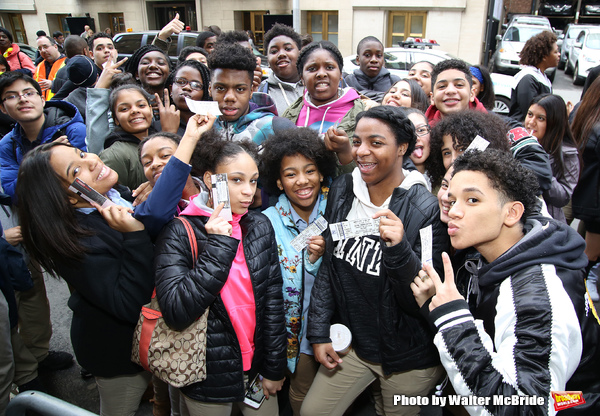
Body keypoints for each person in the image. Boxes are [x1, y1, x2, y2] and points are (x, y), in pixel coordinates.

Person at [412, 149, 600, 415]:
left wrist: (451, 320)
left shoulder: (536, 297)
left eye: (473, 200)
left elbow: (526, 408)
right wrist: (438, 309)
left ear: (511, 213)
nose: (453, 210)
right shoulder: (481, 253)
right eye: (452, 200)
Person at [302, 106, 447, 416]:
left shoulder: (425, 208)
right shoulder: (343, 189)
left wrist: (398, 249)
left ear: (402, 148)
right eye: (358, 141)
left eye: (376, 143)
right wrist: (319, 332)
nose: (362, 152)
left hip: (407, 357)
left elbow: (422, 300)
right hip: (355, 346)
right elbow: (330, 266)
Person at [16, 142, 155, 416]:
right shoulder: (76, 243)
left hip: (152, 341)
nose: (91, 160)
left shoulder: (113, 197)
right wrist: (135, 234)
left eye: (81, 154)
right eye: (76, 169)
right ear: (68, 197)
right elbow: (128, 303)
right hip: (118, 353)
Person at [153, 135, 286, 415]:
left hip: (257, 369)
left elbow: (273, 301)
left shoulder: (259, 225)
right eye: (237, 180)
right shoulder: (180, 231)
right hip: (207, 374)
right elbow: (177, 309)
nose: (249, 191)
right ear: (212, 180)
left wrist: (274, 366)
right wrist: (219, 245)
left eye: (253, 180)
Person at [260, 128, 336, 415]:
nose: (302, 181)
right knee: (296, 393)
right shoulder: (264, 223)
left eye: (310, 171)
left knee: (320, 396)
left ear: (321, 175)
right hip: (287, 333)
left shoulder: (337, 210)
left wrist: (321, 257)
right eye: (291, 174)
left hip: (331, 327)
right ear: (278, 182)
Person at [0, 71, 87, 200]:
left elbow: (85, 184)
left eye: (29, 93)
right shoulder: (7, 145)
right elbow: (15, 194)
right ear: (3, 108)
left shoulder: (72, 131)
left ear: (42, 100)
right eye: (12, 96)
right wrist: (42, 160)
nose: (23, 99)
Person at [283, 41, 366, 166]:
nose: (321, 74)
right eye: (312, 69)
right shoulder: (289, 115)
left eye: (329, 67)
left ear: (341, 74)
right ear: (301, 78)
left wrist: (345, 153)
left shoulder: (363, 114)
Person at [208, 42, 295, 144]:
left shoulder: (276, 128)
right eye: (220, 88)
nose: (230, 97)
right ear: (210, 89)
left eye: (240, 89)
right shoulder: (202, 127)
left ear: (251, 91)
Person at [525, 94, 580, 223]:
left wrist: (541, 167)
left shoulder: (568, 154)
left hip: (544, 221)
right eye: (530, 114)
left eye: (541, 118)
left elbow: (562, 198)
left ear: (554, 123)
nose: (531, 122)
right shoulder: (516, 140)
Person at [426, 110, 509, 189]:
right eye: (447, 153)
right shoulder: (438, 191)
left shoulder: (500, 188)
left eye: (461, 149)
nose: (453, 159)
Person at [572, 76, 600, 299]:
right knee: (590, 251)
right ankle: (581, 286)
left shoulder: (583, 109)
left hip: (581, 187)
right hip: (594, 197)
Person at [98, 84, 155, 190]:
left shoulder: (159, 142)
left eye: (141, 105)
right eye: (124, 109)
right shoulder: (114, 156)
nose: (135, 111)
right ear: (116, 119)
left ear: (151, 110)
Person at [508, 30, 559, 122]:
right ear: (544, 56)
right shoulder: (528, 78)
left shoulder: (542, 77)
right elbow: (529, 112)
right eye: (555, 52)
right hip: (523, 131)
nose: (559, 55)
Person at [425, 58, 486, 127]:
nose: (450, 91)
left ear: (472, 94)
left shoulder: (491, 129)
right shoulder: (423, 132)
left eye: (459, 85)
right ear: (432, 98)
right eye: (442, 86)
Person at [259, 23, 304, 115]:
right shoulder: (261, 92)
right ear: (268, 60)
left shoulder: (314, 85)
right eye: (274, 51)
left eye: (288, 49)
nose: (281, 54)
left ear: (300, 54)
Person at [344, 36, 400, 102]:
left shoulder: (394, 82)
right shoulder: (348, 82)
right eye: (367, 55)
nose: (374, 60)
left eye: (378, 55)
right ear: (358, 60)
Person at [165, 59, 211, 135]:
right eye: (180, 82)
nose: (186, 87)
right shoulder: (154, 126)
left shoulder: (212, 126)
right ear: (171, 90)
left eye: (196, 85)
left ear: (206, 92)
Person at [34, 35, 67, 100]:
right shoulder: (39, 66)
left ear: (55, 47)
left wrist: (53, 84)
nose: (43, 50)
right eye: (40, 48)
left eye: (45, 47)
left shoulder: (67, 63)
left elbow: (74, 85)